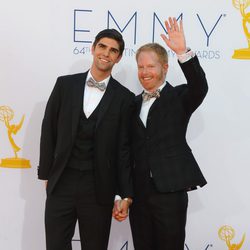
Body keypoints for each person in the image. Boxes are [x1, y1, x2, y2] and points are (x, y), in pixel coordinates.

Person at [38, 28, 134, 250]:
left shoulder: (125, 98)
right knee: (55, 245)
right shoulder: (64, 85)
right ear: (93, 48)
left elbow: (123, 149)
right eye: (102, 47)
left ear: (118, 58)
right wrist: (46, 173)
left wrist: (124, 193)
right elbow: (48, 128)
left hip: (99, 187)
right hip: (61, 182)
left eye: (113, 51)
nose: (106, 54)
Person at [125, 17, 208, 250]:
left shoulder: (180, 97)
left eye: (150, 66)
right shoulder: (131, 104)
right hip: (138, 193)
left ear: (165, 67)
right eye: (141, 67)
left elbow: (200, 86)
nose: (144, 72)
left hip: (170, 191)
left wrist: (183, 52)